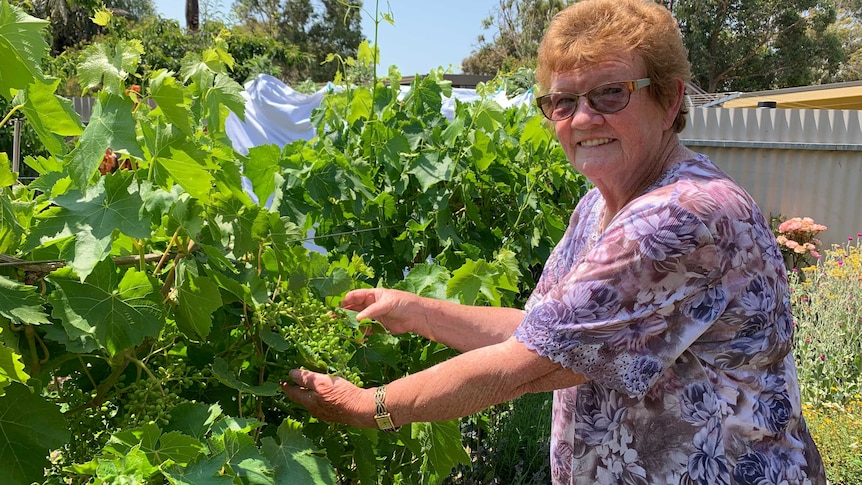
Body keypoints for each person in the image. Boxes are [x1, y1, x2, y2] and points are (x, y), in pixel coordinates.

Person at [282, 0, 826, 483]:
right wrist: (416, 310)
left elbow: (527, 366)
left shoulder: (681, 215)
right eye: (562, 102)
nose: (583, 117)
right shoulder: (601, 204)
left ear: (668, 100)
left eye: (611, 93)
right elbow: (547, 332)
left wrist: (369, 406)